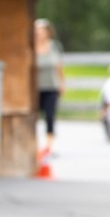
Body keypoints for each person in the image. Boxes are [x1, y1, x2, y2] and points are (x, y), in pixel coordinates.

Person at [35, 18, 65, 153]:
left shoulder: (54, 46)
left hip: (51, 87)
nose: (39, 33)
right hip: (35, 88)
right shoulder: (31, 46)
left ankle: (48, 147)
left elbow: (59, 66)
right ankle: (33, 144)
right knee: (33, 117)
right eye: (37, 31)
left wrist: (62, 83)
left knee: (50, 116)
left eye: (42, 31)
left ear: (48, 32)